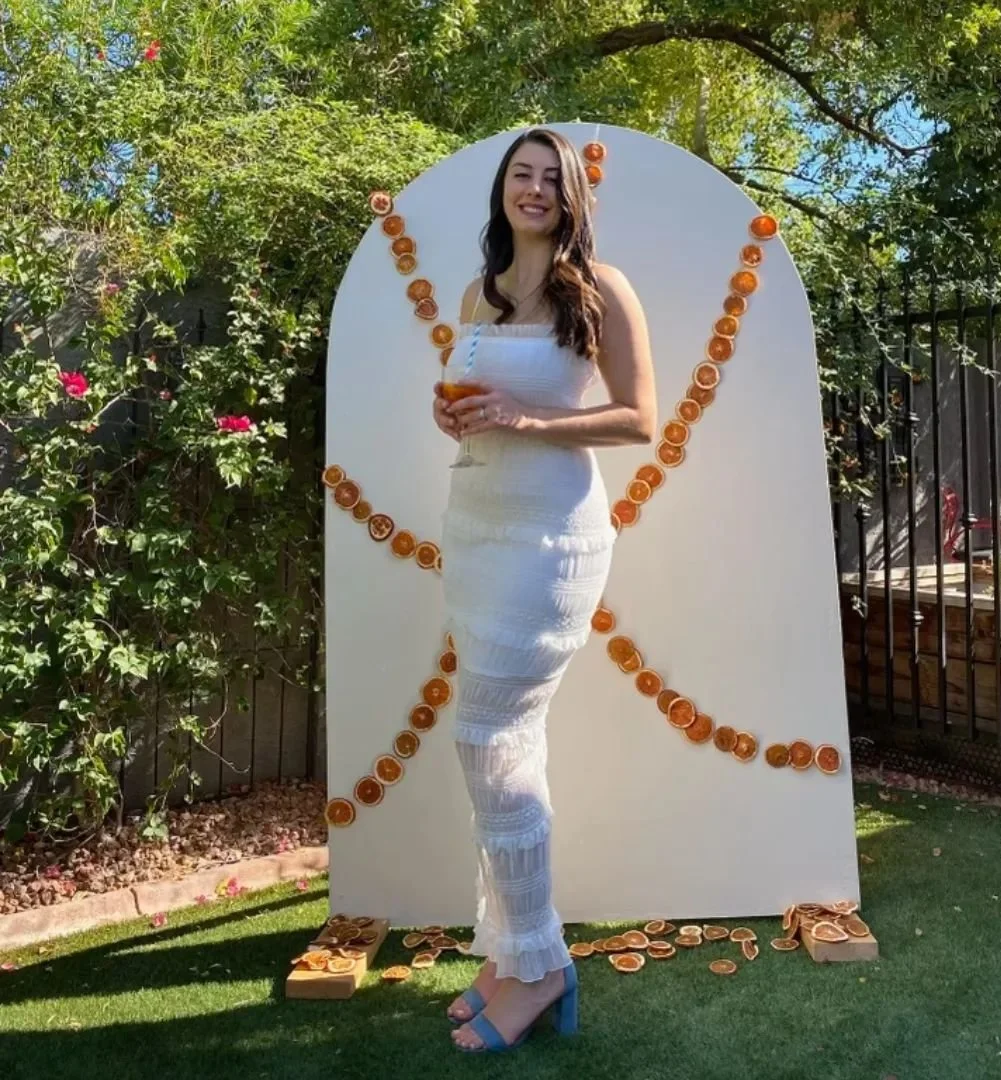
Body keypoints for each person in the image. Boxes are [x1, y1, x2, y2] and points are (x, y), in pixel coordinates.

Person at [431, 127, 656, 1053]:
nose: (533, 189)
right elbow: (465, 406)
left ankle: (540, 967)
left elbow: (641, 417)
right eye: (519, 175)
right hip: (477, 528)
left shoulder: (603, 290)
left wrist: (528, 416)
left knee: (486, 737)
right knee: (505, 743)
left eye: (549, 178)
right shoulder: (477, 292)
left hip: (552, 541)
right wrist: (452, 412)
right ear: (502, 192)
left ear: (571, 197)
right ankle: (514, 950)